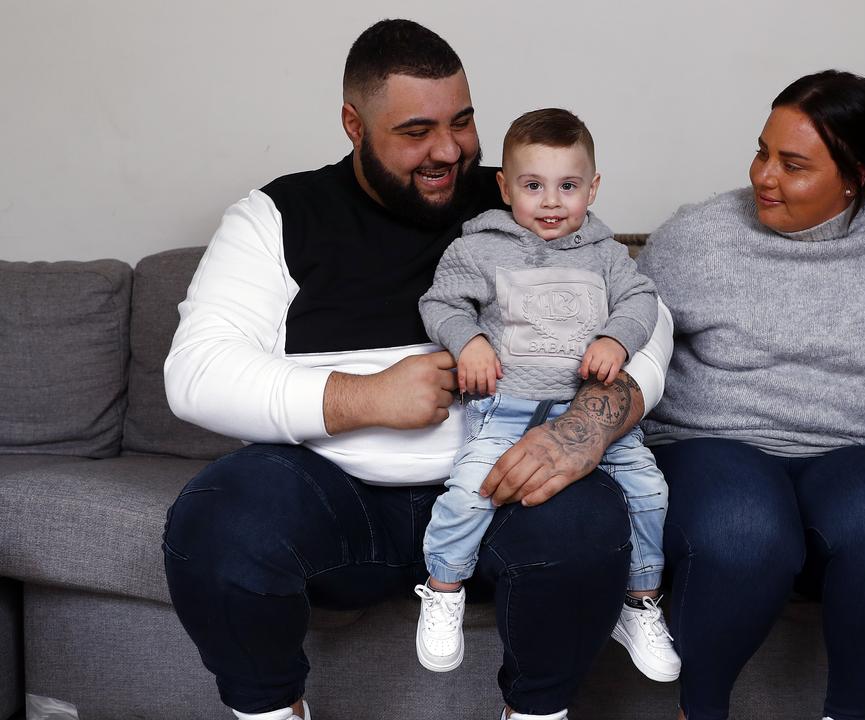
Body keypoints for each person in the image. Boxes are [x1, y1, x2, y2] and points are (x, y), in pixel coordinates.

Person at [161, 20, 672, 720]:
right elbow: (195, 373)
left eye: (462, 122)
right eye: (415, 130)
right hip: (335, 495)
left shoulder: (520, 197)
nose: (447, 150)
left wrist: (589, 424)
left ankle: (537, 712)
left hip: (503, 488)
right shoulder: (278, 215)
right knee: (217, 518)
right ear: (353, 123)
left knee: (590, 524)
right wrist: (361, 398)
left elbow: (645, 312)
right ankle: (272, 711)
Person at [636, 70, 865, 720]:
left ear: (856, 175)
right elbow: (625, 344)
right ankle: (697, 711)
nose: (764, 176)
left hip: (853, 449)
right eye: (761, 151)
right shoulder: (697, 238)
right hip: (712, 442)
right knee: (746, 534)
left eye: (793, 164)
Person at [414, 108, 679, 683]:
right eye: (533, 186)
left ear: (593, 187)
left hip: (595, 415)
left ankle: (639, 602)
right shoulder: (479, 249)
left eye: (569, 186)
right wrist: (471, 343)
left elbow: (642, 303)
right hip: (507, 407)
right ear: (505, 187)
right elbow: (440, 305)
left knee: (651, 491)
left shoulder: (607, 255)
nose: (552, 203)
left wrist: (615, 336)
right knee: (470, 491)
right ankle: (443, 588)